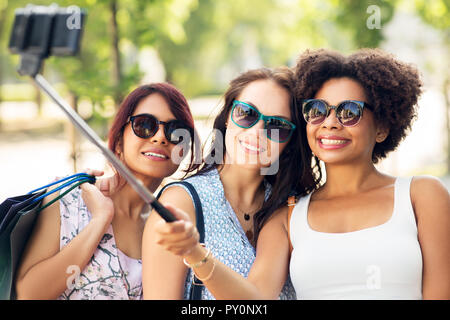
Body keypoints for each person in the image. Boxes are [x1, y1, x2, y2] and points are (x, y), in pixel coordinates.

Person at [154, 49, 450, 300]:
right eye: (317, 110)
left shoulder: (422, 196)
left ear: (383, 127)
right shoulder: (286, 216)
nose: (331, 123)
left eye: (349, 112)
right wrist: (195, 253)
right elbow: (253, 301)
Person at [142, 67, 321, 299]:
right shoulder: (182, 201)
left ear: (290, 142)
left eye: (276, 126)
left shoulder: (288, 207)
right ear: (228, 116)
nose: (257, 132)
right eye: (247, 114)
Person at [15, 82, 199, 300]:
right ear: (119, 140)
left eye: (175, 131)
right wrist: (100, 219)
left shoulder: (169, 225)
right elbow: (28, 294)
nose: (160, 137)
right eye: (144, 125)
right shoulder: (69, 199)